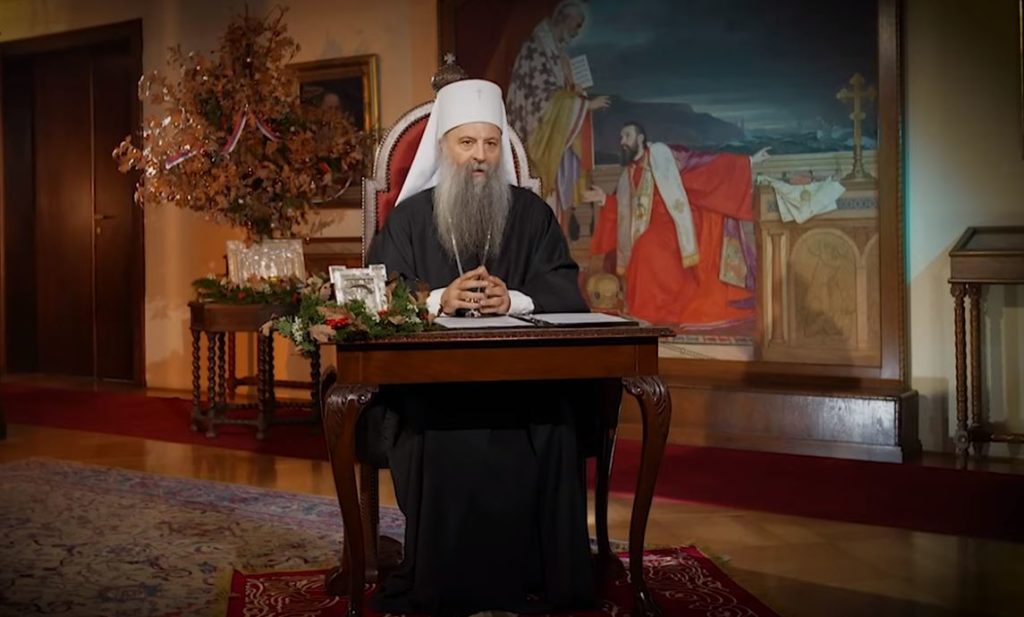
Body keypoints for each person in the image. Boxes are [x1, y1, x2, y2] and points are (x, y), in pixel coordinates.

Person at [366, 78, 597, 617]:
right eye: (467, 143)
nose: (480, 156)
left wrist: (513, 299)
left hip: (524, 383)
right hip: (435, 386)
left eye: (491, 144)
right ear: (444, 147)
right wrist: (437, 299)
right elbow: (376, 294)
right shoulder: (409, 219)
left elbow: (566, 288)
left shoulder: (531, 214)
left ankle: (542, 572)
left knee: (557, 422)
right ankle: (447, 581)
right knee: (438, 427)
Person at [588, 121, 770, 327]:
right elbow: (623, 209)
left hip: (675, 225)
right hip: (649, 230)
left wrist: (749, 161)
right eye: (621, 137)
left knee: (646, 248)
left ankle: (649, 312)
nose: (622, 141)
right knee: (642, 246)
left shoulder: (662, 155)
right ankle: (646, 309)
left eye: (627, 136)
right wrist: (603, 199)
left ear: (640, 139)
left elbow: (703, 164)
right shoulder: (628, 174)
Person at [506, 0, 610, 235]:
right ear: (563, 18)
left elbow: (558, 93)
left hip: (554, 139)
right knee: (543, 206)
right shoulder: (536, 49)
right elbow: (540, 99)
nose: (577, 32)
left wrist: (575, 92)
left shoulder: (556, 52)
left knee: (557, 204)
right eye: (576, 25)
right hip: (538, 139)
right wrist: (585, 105)